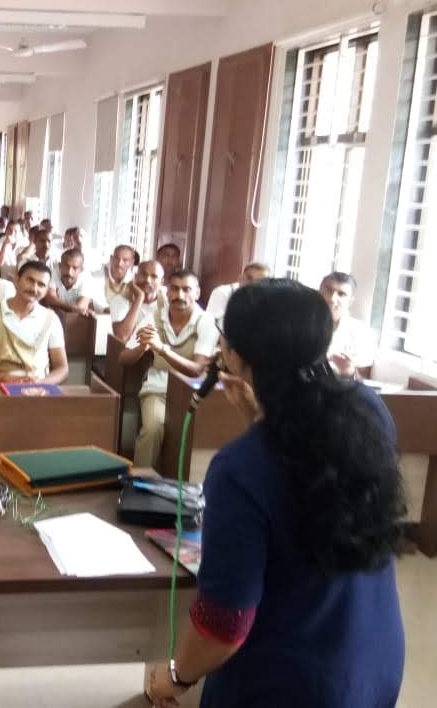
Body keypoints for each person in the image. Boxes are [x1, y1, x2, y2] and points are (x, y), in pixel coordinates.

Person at [145, 278, 405, 708]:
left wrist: (174, 676)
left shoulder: (239, 468)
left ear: (234, 358)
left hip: (289, 683)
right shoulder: (367, 407)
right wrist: (259, 420)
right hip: (373, 661)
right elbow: (308, 486)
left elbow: (224, 625)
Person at [119, 269, 219, 467]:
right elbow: (123, 358)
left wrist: (162, 349)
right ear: (167, 291)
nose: (179, 296)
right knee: (153, 428)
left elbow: (197, 370)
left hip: (194, 396)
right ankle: (140, 484)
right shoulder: (155, 318)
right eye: (174, 289)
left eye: (186, 290)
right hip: (157, 391)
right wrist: (141, 347)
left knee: (194, 437)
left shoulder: (206, 321)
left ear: (197, 293)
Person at [0, 261, 68, 384]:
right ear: (16, 281)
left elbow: (62, 368)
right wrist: (7, 379)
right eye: (30, 280)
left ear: (47, 291)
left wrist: (42, 383)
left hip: (38, 390)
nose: (34, 288)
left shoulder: (51, 319)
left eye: (41, 285)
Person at [320, 272, 376, 379]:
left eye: (341, 294)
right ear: (319, 292)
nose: (332, 298)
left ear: (350, 301)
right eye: (329, 290)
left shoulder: (361, 332)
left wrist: (349, 371)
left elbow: (364, 375)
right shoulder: (302, 323)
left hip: (342, 389)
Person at [111, 260, 165, 343]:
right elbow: (122, 336)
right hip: (129, 352)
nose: (148, 280)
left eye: (154, 276)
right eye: (144, 274)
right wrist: (139, 298)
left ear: (161, 282)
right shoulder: (120, 299)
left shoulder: (167, 302)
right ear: (135, 277)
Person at [43, 249, 102, 315]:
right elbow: (50, 299)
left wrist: (59, 305)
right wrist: (72, 308)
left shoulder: (87, 280)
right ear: (60, 266)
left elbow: (81, 308)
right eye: (66, 266)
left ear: (81, 269)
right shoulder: (52, 274)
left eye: (75, 268)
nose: (69, 272)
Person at [206, 262, 272, 321]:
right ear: (241, 278)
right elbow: (215, 322)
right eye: (250, 279)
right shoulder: (222, 292)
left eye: (260, 282)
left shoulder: (267, 299)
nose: (253, 284)